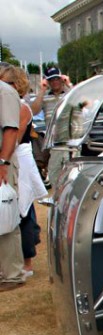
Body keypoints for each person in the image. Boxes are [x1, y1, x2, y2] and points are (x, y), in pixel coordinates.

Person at [7, 67, 47, 276]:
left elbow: (13, 137)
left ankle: (27, 261)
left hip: (19, 161)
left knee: (24, 212)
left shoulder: (22, 109)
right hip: (10, 160)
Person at [0, 62, 27, 291]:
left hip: (2, 161)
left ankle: (12, 273)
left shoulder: (5, 92)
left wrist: (3, 162)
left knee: (5, 214)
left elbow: (11, 129)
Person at [29, 66, 72, 183]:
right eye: (51, 80)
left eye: (57, 79)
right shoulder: (46, 97)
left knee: (72, 177)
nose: (55, 82)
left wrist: (69, 84)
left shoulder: (69, 94)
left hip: (71, 142)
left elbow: (81, 103)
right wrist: (42, 90)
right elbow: (34, 110)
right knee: (55, 176)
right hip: (54, 144)